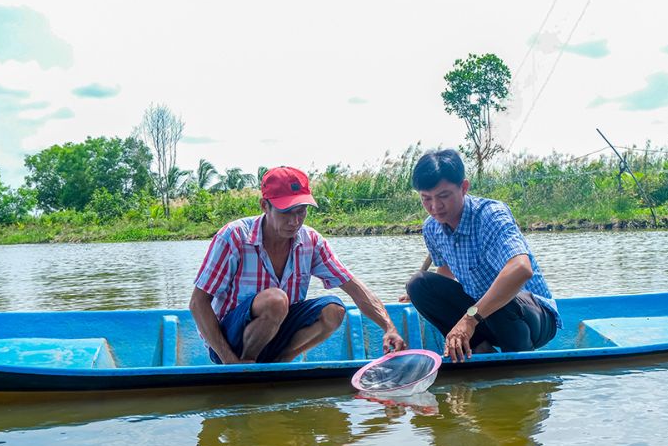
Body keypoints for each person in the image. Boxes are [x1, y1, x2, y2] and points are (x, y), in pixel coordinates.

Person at [191, 166, 407, 364]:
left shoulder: (310, 241)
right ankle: (247, 364)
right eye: (286, 212)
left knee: (334, 310)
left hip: (276, 335)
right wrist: (229, 361)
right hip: (231, 343)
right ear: (265, 206)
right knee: (276, 300)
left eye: (301, 211)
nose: (295, 221)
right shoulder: (235, 237)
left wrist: (389, 327)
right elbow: (198, 303)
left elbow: (354, 287)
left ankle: (280, 362)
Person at [405, 149, 561, 362]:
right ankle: (480, 348)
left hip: (533, 319)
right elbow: (446, 270)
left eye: (443, 196)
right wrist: (419, 297)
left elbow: (521, 269)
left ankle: (519, 364)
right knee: (418, 284)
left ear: (464, 188)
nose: (435, 207)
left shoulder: (491, 215)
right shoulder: (432, 227)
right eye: (426, 199)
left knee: (500, 293)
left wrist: (469, 320)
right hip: (484, 318)